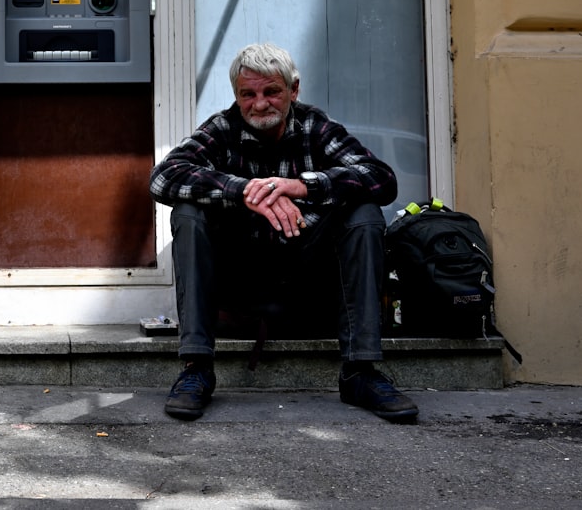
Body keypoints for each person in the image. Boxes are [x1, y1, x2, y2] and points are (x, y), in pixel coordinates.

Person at [149, 42, 418, 423]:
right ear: (237, 96)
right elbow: (163, 177)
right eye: (249, 94)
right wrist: (241, 191)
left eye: (272, 91)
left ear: (293, 90)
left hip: (305, 279)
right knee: (188, 212)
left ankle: (360, 371)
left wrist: (303, 186)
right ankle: (197, 369)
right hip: (239, 281)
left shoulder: (316, 127)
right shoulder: (221, 129)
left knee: (364, 212)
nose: (260, 104)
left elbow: (382, 178)